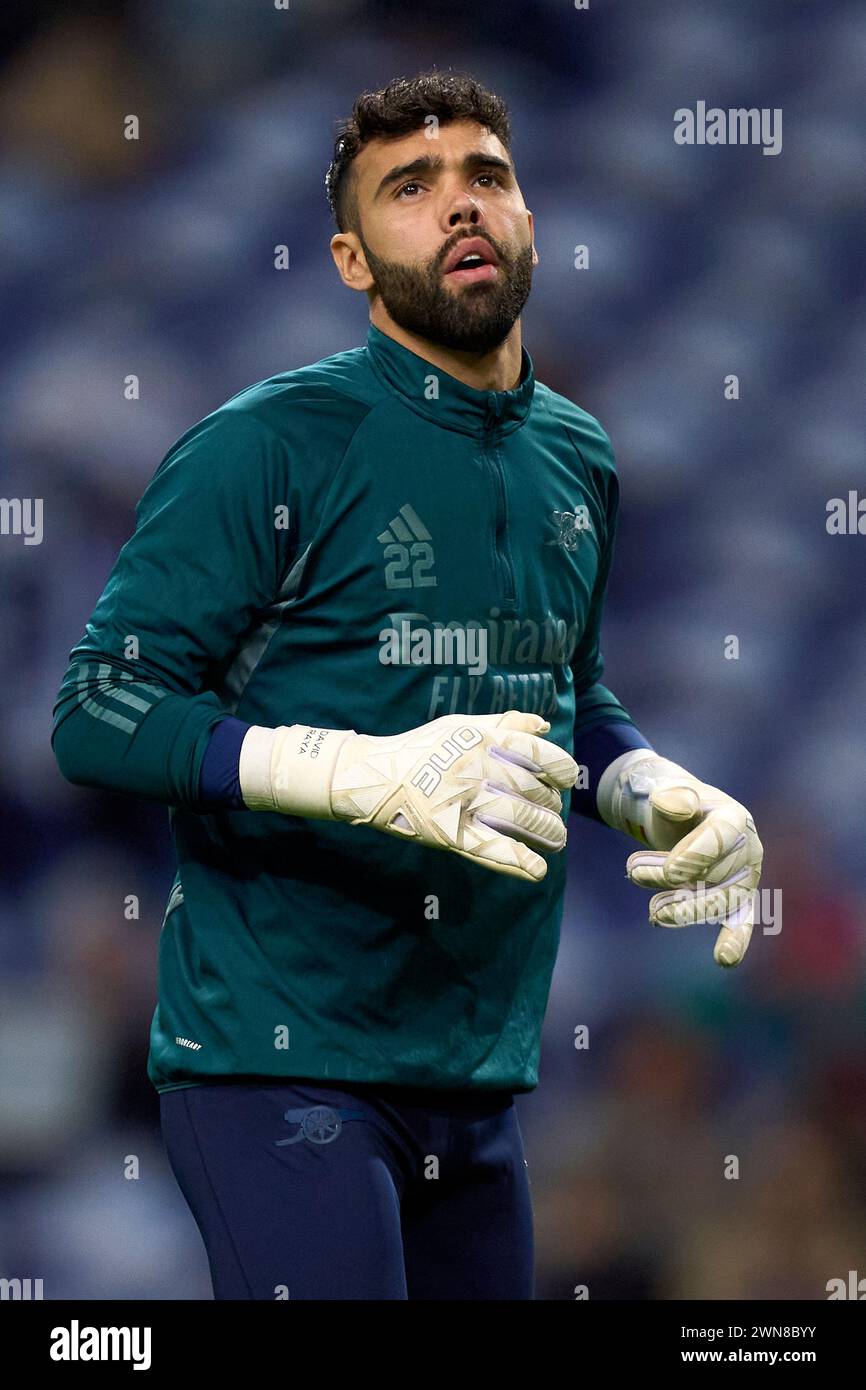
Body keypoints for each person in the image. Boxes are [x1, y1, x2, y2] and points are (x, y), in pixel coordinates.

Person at [52, 70, 762, 1301]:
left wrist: (647, 786)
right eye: (409, 188)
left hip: (475, 1081)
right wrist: (349, 769)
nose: (458, 205)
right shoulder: (265, 445)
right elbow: (98, 705)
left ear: (532, 216)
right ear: (349, 258)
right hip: (276, 1062)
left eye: (485, 175)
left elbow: (566, 696)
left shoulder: (577, 457)